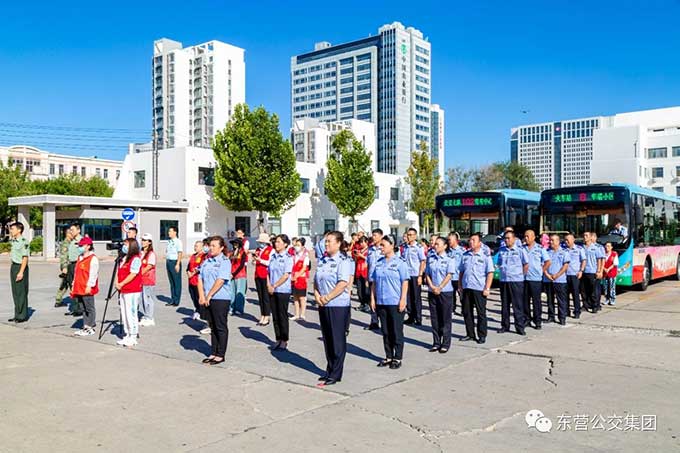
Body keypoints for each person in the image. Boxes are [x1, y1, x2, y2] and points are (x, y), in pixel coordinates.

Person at [314, 232, 353, 386]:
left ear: (338, 243)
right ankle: (329, 369)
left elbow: (343, 283)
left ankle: (336, 373)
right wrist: (317, 295)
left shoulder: (343, 261)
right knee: (328, 339)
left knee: (337, 340)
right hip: (323, 303)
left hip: (337, 304)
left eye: (329, 241)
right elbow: (316, 280)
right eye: (325, 241)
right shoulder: (322, 260)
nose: (326, 244)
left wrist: (328, 297)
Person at [370, 235, 409, 369]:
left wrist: (403, 299)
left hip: (394, 301)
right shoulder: (379, 263)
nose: (381, 247)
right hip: (381, 301)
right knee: (385, 331)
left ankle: (397, 357)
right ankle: (388, 356)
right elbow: (374, 282)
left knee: (396, 330)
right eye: (380, 245)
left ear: (392, 246)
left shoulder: (400, 263)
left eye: (383, 245)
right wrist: (373, 298)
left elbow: (405, 282)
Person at [196, 236, 232, 365]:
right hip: (207, 298)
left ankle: (220, 354)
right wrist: (201, 295)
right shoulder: (207, 261)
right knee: (212, 326)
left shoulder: (224, 261)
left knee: (220, 326)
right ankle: (213, 352)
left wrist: (210, 295)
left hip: (220, 298)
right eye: (210, 245)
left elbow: (220, 280)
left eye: (214, 246)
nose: (211, 248)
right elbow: (200, 278)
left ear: (221, 248)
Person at [458, 233, 494, 344]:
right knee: (467, 312)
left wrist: (487, 288)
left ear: (479, 243)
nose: (471, 242)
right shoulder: (465, 255)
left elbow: (490, 273)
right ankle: (470, 334)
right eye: (470, 240)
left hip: (479, 288)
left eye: (473, 240)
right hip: (467, 287)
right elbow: (461, 272)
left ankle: (482, 335)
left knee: (480, 313)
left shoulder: (485, 256)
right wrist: (460, 286)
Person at [425, 236, 456, 352]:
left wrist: (440, 287)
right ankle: (436, 342)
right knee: (435, 318)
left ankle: (445, 343)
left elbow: (449, 275)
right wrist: (432, 286)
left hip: (445, 292)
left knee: (445, 318)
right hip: (432, 291)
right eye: (435, 244)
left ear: (445, 246)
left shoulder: (449, 259)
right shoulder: (431, 258)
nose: (435, 246)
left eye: (438, 244)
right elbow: (427, 274)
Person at [497, 230, 529, 335]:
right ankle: (505, 326)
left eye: (508, 238)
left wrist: (520, 275)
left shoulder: (520, 250)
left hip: (516, 281)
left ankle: (519, 327)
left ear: (514, 239)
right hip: (504, 281)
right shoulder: (501, 250)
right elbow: (499, 264)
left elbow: (526, 264)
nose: (506, 240)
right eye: (505, 238)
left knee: (517, 305)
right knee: (505, 305)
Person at [115, 238, 143, 347]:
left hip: (132, 290)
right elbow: (119, 272)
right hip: (123, 289)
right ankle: (127, 333)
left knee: (131, 313)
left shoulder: (136, 259)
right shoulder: (124, 258)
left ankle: (133, 335)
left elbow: (133, 274)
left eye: (126, 244)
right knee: (124, 312)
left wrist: (122, 283)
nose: (124, 246)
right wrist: (117, 283)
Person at [268, 234, 294, 351]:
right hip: (272, 289)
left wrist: (275, 285)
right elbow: (268, 272)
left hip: (282, 290)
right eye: (276, 242)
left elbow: (286, 275)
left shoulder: (288, 258)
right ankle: (278, 338)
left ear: (285, 244)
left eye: (279, 242)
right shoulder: (273, 256)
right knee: (275, 315)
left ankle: (284, 339)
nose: (276, 244)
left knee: (282, 315)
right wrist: (269, 285)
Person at [71, 237, 99, 336]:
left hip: (86, 287)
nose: (80, 247)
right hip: (79, 286)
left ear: (88, 246)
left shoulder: (93, 259)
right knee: (83, 307)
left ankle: (90, 326)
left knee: (89, 307)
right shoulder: (80, 257)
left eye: (81, 246)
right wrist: (73, 284)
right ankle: (85, 325)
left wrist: (90, 285)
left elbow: (93, 274)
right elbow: (76, 272)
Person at [523, 230, 551, 330]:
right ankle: (527, 319)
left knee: (536, 301)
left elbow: (548, 262)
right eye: (525, 236)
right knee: (525, 301)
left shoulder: (540, 249)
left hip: (535, 279)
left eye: (528, 236)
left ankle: (537, 320)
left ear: (533, 237)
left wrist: (541, 271)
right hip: (524, 278)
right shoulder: (522, 248)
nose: (526, 238)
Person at [543, 234, 570, 325]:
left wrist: (557, 275)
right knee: (550, 300)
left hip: (560, 280)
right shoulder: (546, 252)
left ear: (558, 241)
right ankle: (551, 316)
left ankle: (562, 317)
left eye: (553, 240)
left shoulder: (564, 252)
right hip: (548, 279)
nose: (550, 242)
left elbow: (565, 265)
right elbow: (542, 265)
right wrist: (547, 275)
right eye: (550, 240)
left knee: (561, 300)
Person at [403, 227, 426, 326]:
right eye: (408, 235)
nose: (409, 236)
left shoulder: (419, 247)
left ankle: (418, 317)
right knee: (408, 297)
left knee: (416, 297)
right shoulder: (405, 247)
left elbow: (423, 261)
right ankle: (410, 316)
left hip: (416, 274)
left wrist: (420, 275)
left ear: (415, 236)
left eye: (411, 235)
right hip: (407, 275)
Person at [8, 222, 30, 323]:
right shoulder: (13, 241)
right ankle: (17, 314)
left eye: (12, 229)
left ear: (19, 230)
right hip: (14, 267)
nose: (11, 231)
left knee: (21, 292)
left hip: (21, 267)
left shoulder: (23, 242)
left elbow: (25, 258)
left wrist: (21, 272)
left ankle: (22, 315)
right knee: (15, 292)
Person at [364, 228, 384, 331]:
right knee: (372, 300)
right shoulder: (370, 249)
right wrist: (367, 278)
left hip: (381, 279)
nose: (373, 237)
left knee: (381, 301)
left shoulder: (384, 249)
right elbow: (368, 264)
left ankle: (384, 321)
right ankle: (374, 321)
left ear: (381, 236)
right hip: (372, 278)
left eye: (375, 235)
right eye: (373, 235)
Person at [582, 232, 605, 313]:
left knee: (594, 291)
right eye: (584, 236)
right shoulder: (582, 247)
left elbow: (600, 260)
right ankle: (585, 305)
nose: (585, 237)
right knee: (584, 290)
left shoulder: (596, 247)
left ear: (590, 237)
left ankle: (595, 306)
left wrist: (599, 271)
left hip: (593, 271)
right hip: (584, 271)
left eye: (586, 236)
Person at [564, 233, 586, 319]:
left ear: (573, 240)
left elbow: (583, 260)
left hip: (575, 275)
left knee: (575, 294)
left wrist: (581, 271)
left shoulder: (579, 249)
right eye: (565, 240)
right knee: (565, 294)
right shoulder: (563, 250)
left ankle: (577, 311)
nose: (566, 242)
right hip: (565, 275)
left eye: (568, 240)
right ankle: (566, 311)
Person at [254, 233, 273, 326]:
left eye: (262, 242)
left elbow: (270, 263)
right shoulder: (258, 250)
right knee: (260, 296)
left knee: (265, 297)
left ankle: (267, 315)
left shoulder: (271, 250)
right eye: (259, 242)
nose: (260, 244)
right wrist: (254, 260)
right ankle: (262, 314)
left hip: (265, 275)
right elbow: (255, 261)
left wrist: (260, 260)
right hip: (257, 274)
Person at [139, 233, 158, 327]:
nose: (143, 242)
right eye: (142, 240)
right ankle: (146, 315)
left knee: (148, 298)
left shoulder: (151, 254)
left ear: (149, 242)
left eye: (145, 240)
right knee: (142, 299)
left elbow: (148, 266)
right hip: (141, 280)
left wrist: (138, 274)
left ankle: (150, 317)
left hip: (148, 280)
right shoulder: (141, 253)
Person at [65, 223, 83, 316]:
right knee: (72, 286)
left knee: (78, 286)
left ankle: (80, 308)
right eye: (70, 230)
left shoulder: (82, 240)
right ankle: (75, 308)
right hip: (71, 264)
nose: (71, 232)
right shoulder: (72, 241)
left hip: (78, 264)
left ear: (78, 230)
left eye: (73, 230)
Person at [187, 240, 207, 323]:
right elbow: (188, 266)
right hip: (191, 280)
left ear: (202, 247)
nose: (195, 247)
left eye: (197, 246)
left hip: (198, 280)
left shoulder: (204, 256)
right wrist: (188, 272)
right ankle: (197, 310)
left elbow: (201, 267)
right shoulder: (193, 256)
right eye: (195, 246)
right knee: (193, 296)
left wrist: (193, 273)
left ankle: (201, 312)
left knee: (199, 297)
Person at [291, 237, 310, 321]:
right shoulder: (294, 255)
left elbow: (304, 268)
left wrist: (297, 276)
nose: (296, 247)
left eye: (298, 245)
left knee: (302, 297)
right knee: (295, 297)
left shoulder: (305, 256)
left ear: (302, 246)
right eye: (295, 245)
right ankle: (296, 314)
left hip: (301, 278)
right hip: (293, 278)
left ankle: (302, 314)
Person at [446, 232, 465, 314]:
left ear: (455, 240)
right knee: (451, 295)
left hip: (459, 277)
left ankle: (464, 310)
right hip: (450, 277)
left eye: (450, 239)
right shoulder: (447, 251)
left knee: (462, 295)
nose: (448, 241)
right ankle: (452, 309)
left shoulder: (462, 251)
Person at [165, 226, 183, 307]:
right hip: (169, 261)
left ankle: (176, 301)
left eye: (170, 231)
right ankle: (173, 299)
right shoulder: (169, 241)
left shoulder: (178, 242)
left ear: (175, 232)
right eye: (169, 231)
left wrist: (178, 264)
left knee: (177, 282)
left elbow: (180, 253)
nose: (169, 233)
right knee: (171, 282)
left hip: (175, 262)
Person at [55, 227, 73, 308]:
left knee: (65, 283)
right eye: (70, 233)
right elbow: (63, 256)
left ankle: (58, 300)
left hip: (68, 265)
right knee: (70, 283)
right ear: (67, 234)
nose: (72, 234)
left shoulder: (71, 242)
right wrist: (64, 267)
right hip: (67, 265)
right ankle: (75, 301)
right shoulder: (66, 243)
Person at [229, 238, 247, 315]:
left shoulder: (243, 253)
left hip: (240, 275)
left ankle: (239, 309)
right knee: (231, 292)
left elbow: (241, 265)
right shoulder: (232, 253)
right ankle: (231, 307)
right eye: (233, 243)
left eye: (236, 243)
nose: (234, 245)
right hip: (231, 275)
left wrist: (234, 274)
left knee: (239, 292)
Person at [353, 236, 370, 313]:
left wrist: (361, 255)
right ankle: (362, 303)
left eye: (363, 242)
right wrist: (356, 255)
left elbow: (369, 259)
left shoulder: (369, 250)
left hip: (365, 271)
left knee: (366, 290)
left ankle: (367, 304)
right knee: (359, 290)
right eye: (360, 242)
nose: (361, 244)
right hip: (358, 271)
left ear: (366, 242)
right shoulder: (359, 250)